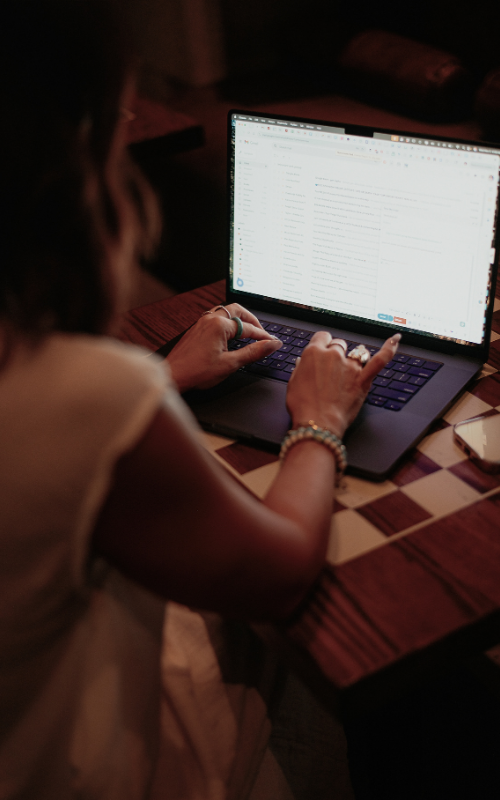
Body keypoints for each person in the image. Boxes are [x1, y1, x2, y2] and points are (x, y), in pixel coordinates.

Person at [0, 0, 400, 797]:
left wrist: (165, 382)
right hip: (73, 763)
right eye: (120, 107)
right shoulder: (76, 386)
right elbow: (282, 571)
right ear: (71, 145)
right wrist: (318, 422)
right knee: (329, 672)